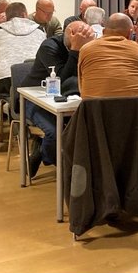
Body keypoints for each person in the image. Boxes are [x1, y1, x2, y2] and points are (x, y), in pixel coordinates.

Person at [22, 21, 95, 177]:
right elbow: (61, 79)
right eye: (83, 41)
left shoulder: (89, 46)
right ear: (71, 36)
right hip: (34, 98)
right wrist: (75, 50)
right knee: (55, 133)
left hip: (66, 99)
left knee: (85, 128)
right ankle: (56, 163)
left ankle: (44, 150)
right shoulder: (49, 46)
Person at [0, 2, 46, 152]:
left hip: (7, 80)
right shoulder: (40, 30)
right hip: (35, 80)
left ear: (6, 16)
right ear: (25, 14)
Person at [77, 13, 138, 98]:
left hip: (94, 106)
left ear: (103, 32)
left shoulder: (86, 49)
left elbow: (81, 87)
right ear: (130, 33)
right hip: (134, 105)